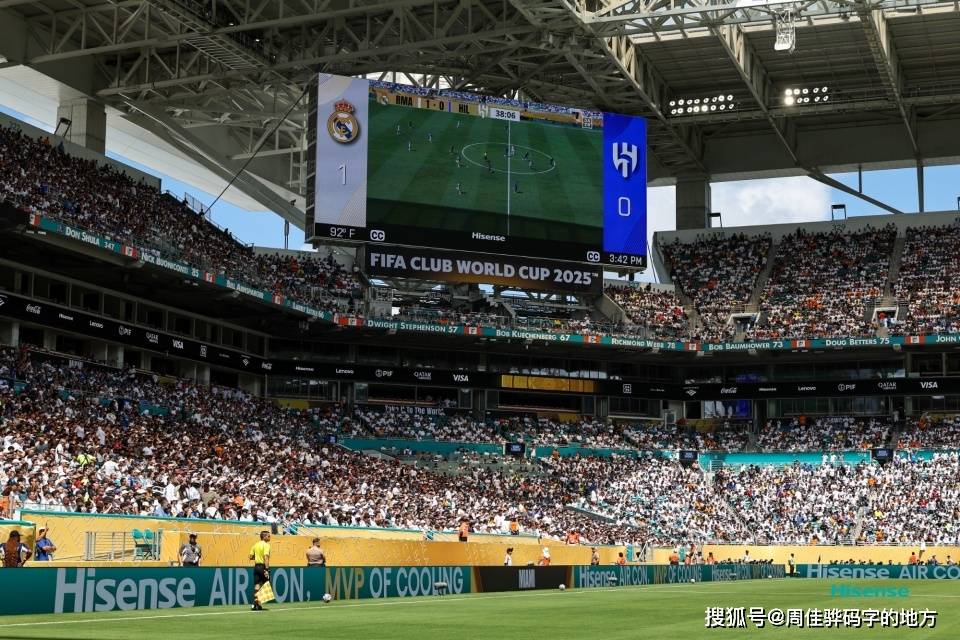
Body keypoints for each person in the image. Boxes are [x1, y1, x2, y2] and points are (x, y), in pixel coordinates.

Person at [249, 531, 271, 611]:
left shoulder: (255, 545)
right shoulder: (266, 545)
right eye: (268, 536)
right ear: (264, 537)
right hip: (263, 566)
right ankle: (257, 603)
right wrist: (267, 569)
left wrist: (258, 557)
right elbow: (266, 557)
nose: (269, 537)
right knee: (265, 586)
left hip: (256, 566)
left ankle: (256, 604)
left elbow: (250, 557)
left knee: (257, 585)